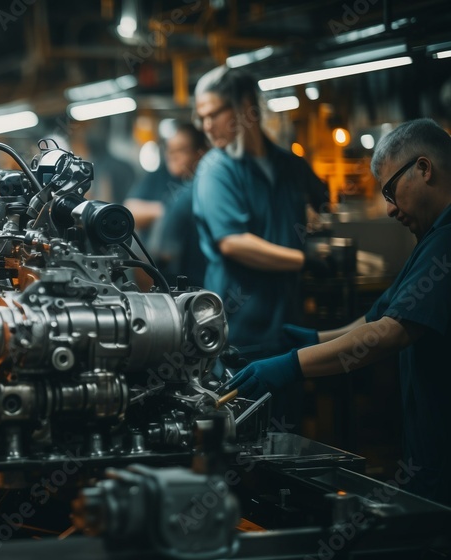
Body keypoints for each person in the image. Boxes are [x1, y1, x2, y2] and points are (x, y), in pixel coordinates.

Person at [225, 118, 451, 506]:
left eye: (390, 190)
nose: (389, 208)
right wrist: (314, 341)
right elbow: (377, 320)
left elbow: (391, 334)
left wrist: (292, 365)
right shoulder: (431, 238)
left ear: (424, 169)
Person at [192, 66, 330, 361]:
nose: (205, 125)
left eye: (213, 114)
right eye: (201, 117)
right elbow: (233, 242)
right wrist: (305, 260)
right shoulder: (217, 170)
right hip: (240, 327)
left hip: (288, 320)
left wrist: (320, 235)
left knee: (289, 403)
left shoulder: (290, 164)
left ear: (244, 107)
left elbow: (324, 204)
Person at [145, 122, 209, 286]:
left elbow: (164, 253)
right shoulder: (171, 182)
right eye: (170, 150)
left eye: (181, 150)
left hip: (191, 284)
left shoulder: (188, 194)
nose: (173, 156)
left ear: (199, 153)